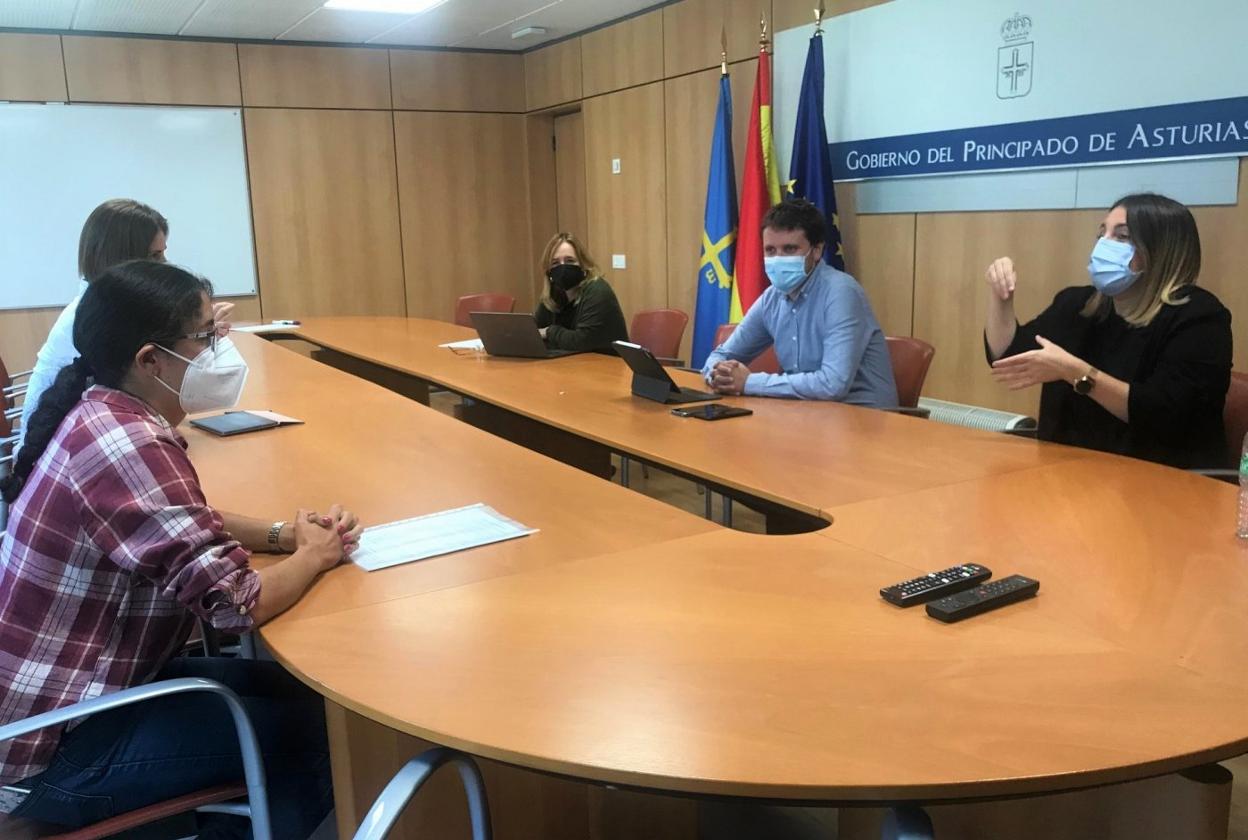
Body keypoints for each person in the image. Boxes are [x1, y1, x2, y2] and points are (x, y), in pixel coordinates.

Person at [0, 261, 357, 837]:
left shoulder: (101, 408)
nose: (218, 349)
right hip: (55, 746)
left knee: (322, 703)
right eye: (205, 336)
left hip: (77, 698)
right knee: (325, 741)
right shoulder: (127, 442)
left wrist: (284, 536)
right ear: (151, 360)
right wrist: (315, 556)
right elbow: (237, 606)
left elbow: (184, 520)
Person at [984, 192, 1232, 469]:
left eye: (1122, 236)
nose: (1104, 244)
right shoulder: (1077, 304)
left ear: (1162, 250)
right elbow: (1009, 357)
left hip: (1160, 478)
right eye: (1102, 233)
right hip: (1069, 471)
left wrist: (1076, 373)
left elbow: (1165, 415)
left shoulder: (1200, 317)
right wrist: (1001, 298)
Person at [17, 199, 235, 448]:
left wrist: (199, 334)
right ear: (124, 260)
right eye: (155, 255)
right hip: (60, 443)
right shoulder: (98, 319)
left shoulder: (109, 307)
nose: (165, 264)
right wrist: (194, 336)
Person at [701, 199, 898, 406]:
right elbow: (722, 354)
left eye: (789, 249)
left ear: (816, 250)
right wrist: (719, 374)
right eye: (770, 250)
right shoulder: (772, 297)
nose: (778, 259)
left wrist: (749, 382)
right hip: (807, 410)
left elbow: (833, 385)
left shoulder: (841, 293)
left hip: (862, 414)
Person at [533, 232, 629, 352]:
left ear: (584, 265)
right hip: (572, 361)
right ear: (549, 271)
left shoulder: (598, 291)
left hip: (608, 362)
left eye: (570, 261)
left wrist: (549, 332)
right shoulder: (553, 295)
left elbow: (582, 341)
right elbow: (533, 332)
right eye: (555, 263)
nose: (563, 268)